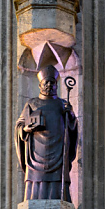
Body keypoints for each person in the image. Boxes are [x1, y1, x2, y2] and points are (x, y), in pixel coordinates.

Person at [14, 65, 78, 201]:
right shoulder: (32, 103)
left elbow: (72, 127)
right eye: (46, 82)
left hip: (58, 149)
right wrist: (26, 129)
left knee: (58, 179)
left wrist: (70, 114)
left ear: (56, 85)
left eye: (52, 82)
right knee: (37, 182)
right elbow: (20, 124)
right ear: (40, 85)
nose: (49, 85)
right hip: (37, 151)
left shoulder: (62, 104)